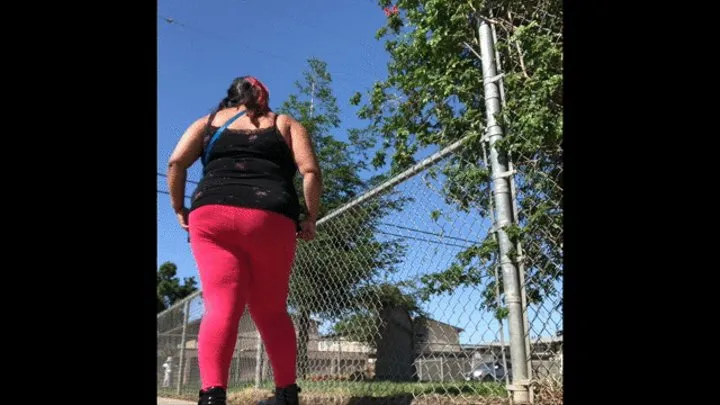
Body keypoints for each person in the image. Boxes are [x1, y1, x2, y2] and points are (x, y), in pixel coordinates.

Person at [167, 76, 322, 405]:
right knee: (272, 311)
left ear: (230, 97)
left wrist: (180, 208)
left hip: (212, 215)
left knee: (221, 308)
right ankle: (286, 395)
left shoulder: (207, 123)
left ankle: (212, 396)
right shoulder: (285, 123)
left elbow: (176, 162)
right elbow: (310, 171)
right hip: (271, 217)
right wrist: (309, 217)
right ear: (264, 95)